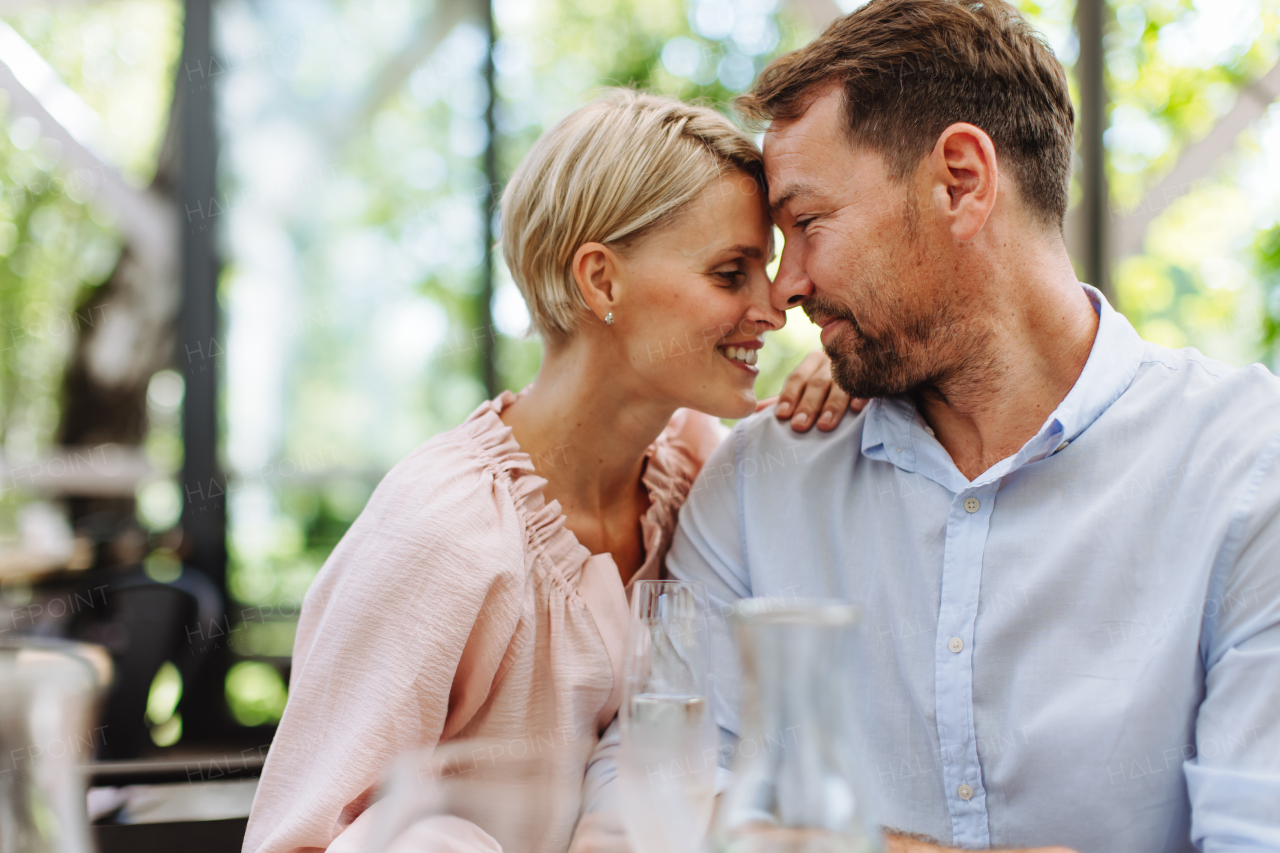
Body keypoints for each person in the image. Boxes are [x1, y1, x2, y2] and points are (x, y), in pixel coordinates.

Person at [585, 2, 1280, 852]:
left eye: (806, 223)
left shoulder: (1249, 468)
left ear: (960, 180)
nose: (786, 287)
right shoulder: (761, 481)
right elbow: (634, 805)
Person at [241, 90, 860, 853]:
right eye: (731, 272)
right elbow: (292, 838)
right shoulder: (443, 532)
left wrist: (856, 374)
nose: (775, 306)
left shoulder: (695, 466)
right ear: (601, 281)